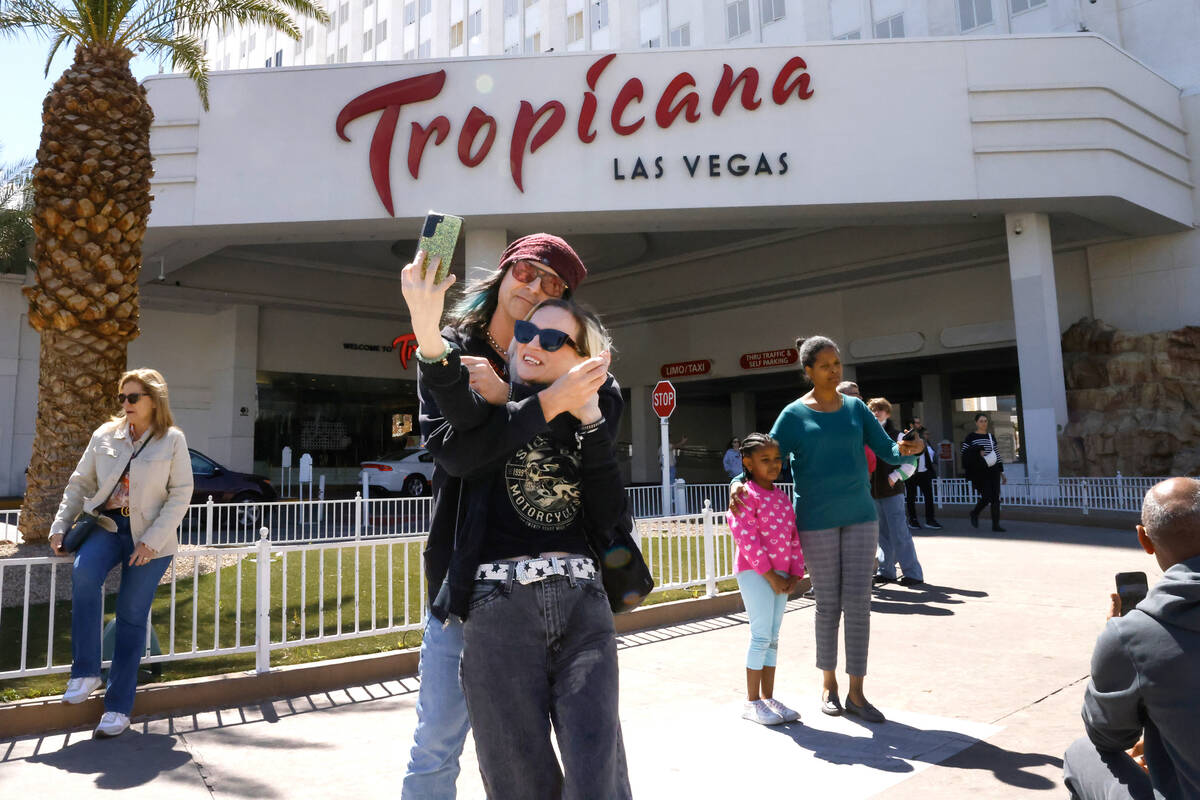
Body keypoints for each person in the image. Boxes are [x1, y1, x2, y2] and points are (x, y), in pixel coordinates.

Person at [403, 249, 630, 797]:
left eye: (551, 285)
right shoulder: (451, 348)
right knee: (439, 743)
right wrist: (550, 400)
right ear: (504, 273)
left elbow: (598, 433)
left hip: (574, 590)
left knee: (594, 762)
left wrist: (511, 398)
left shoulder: (587, 372)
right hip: (468, 581)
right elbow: (457, 456)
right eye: (525, 272)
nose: (532, 287)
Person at [731, 337, 923, 724]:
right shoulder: (793, 415)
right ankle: (828, 685)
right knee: (827, 605)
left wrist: (911, 448)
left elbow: (887, 450)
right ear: (808, 371)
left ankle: (857, 692)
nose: (835, 371)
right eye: (825, 365)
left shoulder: (855, 408)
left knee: (859, 605)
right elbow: (763, 455)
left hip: (860, 516)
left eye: (838, 364)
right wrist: (738, 480)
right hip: (816, 520)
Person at [47, 368, 192, 739]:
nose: (125, 404)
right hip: (109, 526)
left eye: (133, 397)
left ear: (153, 400)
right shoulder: (105, 435)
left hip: (151, 537)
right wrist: (60, 526)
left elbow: (180, 494)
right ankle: (85, 671)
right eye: (122, 398)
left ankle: (117, 708)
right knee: (84, 574)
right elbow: (80, 483)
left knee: (130, 615)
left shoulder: (171, 440)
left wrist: (153, 541)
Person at [1063, 477, 1200, 800]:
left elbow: (1109, 736)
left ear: (1144, 539)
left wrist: (1115, 646)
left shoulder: (1134, 633)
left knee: (1081, 754)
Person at [727, 433, 806, 726]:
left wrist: (796, 572)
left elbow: (793, 536)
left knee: (773, 637)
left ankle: (769, 697)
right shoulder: (744, 496)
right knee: (760, 635)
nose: (773, 465)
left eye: (777, 459)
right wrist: (771, 576)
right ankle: (752, 702)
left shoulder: (782, 496)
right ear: (747, 463)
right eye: (765, 460)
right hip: (756, 573)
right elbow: (746, 539)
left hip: (782, 575)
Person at [866, 398, 923, 588]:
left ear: (888, 413)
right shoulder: (868, 435)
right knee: (881, 534)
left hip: (891, 491)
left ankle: (913, 572)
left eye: (880, 409)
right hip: (873, 492)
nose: (876, 412)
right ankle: (886, 571)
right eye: (873, 409)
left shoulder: (898, 435)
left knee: (899, 532)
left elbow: (912, 462)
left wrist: (896, 475)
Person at [962, 413, 1007, 532]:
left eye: (985, 421)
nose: (984, 423)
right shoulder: (971, 437)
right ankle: (974, 513)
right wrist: (978, 451)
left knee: (995, 498)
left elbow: (996, 454)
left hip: (993, 469)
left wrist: (1002, 473)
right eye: (981, 421)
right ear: (976, 423)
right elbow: (964, 453)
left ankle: (996, 525)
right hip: (980, 470)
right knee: (986, 496)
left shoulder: (991, 437)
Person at [901, 417, 942, 530]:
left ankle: (930, 520)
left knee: (929, 496)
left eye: (920, 422)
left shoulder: (923, 438)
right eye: (917, 423)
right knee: (911, 496)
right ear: (911, 424)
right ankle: (913, 520)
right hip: (911, 472)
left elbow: (928, 454)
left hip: (924, 472)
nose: (919, 424)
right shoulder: (905, 437)